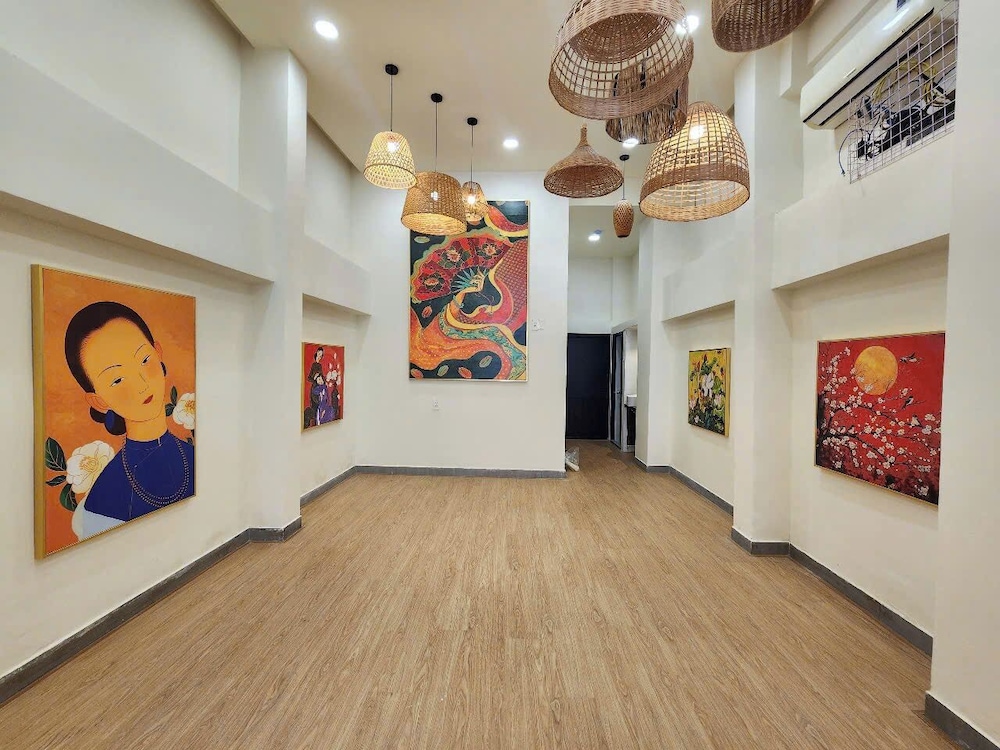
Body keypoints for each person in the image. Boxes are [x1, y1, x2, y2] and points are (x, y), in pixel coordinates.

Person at [64, 302, 195, 539]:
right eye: (117, 380)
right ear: (98, 401)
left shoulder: (195, 458)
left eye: (144, 360)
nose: (142, 384)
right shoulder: (104, 499)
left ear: (158, 353)